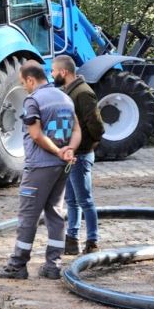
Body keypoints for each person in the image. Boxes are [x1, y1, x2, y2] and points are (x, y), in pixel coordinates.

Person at [0, 61, 81, 280]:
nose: (24, 88)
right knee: (55, 213)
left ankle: (17, 265)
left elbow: (36, 135)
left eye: (24, 83)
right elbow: (77, 129)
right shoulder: (65, 97)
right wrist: (69, 149)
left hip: (40, 166)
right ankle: (53, 265)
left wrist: (58, 151)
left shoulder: (33, 100)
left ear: (31, 80)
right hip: (62, 167)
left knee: (27, 216)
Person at [51, 55, 105, 255]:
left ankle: (92, 241)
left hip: (80, 155)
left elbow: (96, 124)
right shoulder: (68, 92)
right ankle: (72, 240)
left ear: (63, 72)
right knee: (72, 201)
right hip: (70, 155)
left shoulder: (83, 93)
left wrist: (90, 143)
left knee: (85, 200)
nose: (52, 74)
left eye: (53, 70)